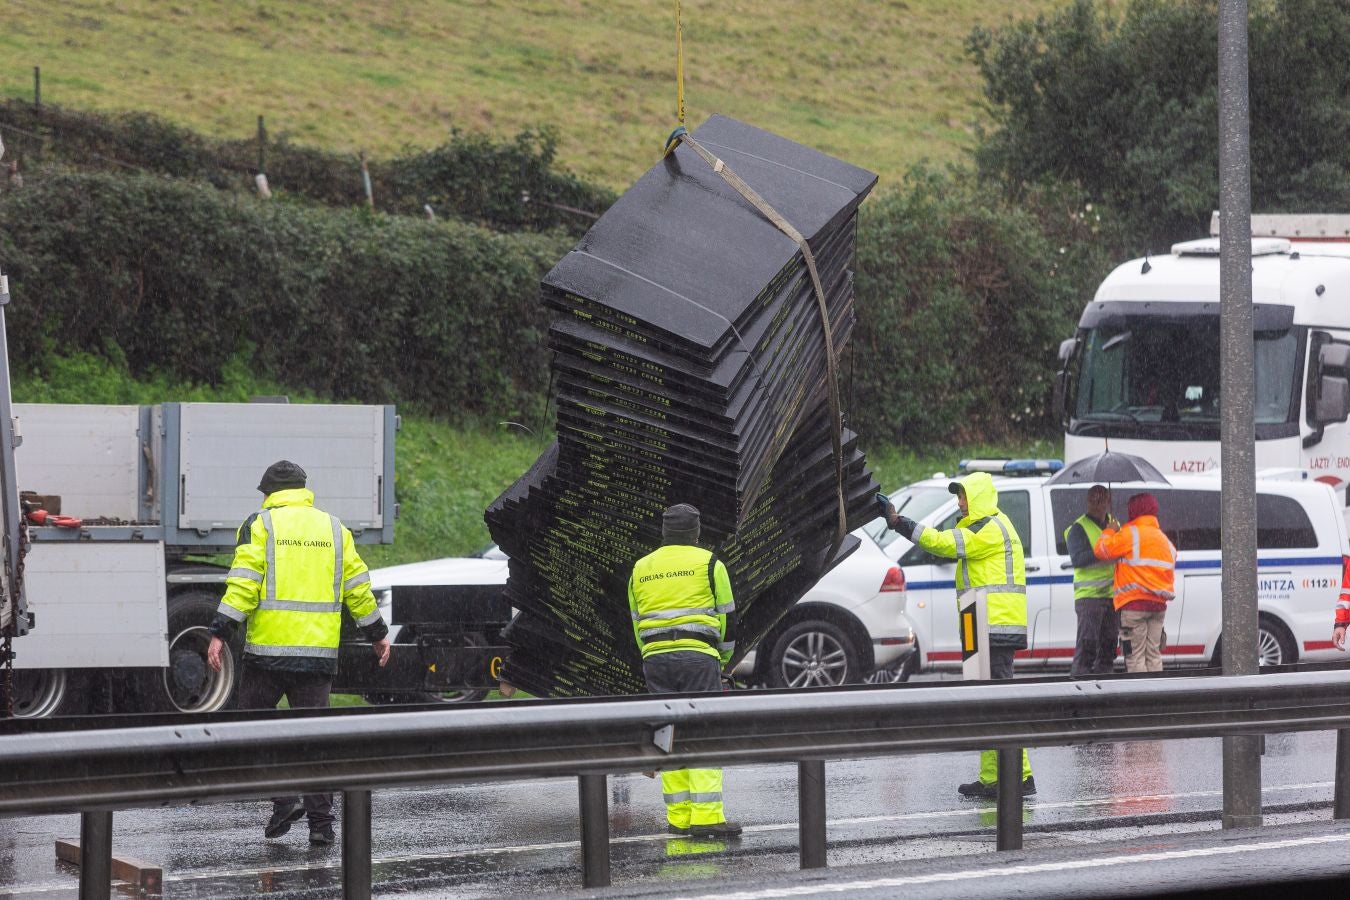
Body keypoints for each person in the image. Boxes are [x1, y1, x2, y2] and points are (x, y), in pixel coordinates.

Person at [206, 460, 391, 846]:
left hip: (268, 655)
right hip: (317, 658)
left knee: (254, 729)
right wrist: (376, 632)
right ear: (304, 489)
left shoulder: (260, 524)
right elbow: (357, 586)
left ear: (268, 493)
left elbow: (243, 583)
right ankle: (322, 827)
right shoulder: (334, 529)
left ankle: (285, 798)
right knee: (315, 740)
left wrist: (221, 632)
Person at [886, 471, 1034, 799]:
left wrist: (900, 523)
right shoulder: (979, 527)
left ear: (978, 496)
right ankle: (993, 778)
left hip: (994, 625)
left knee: (999, 705)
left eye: (963, 495)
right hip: (979, 622)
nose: (959, 502)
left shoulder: (990, 529)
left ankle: (1020, 777)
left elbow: (941, 544)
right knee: (987, 704)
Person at [628, 503, 741, 837]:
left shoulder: (640, 568)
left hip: (655, 659)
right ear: (696, 532)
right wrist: (721, 660)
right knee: (703, 733)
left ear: (664, 532)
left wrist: (651, 654)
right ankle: (707, 818)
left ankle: (678, 818)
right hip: (698, 657)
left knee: (668, 732)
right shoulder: (710, 563)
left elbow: (636, 625)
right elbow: (727, 619)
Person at [1093, 492, 1176, 673]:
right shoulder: (1164, 540)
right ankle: (1158, 696)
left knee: (1135, 656)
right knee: (1153, 655)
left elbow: (1101, 550)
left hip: (1133, 606)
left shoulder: (1130, 534)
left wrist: (1109, 530)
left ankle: (1141, 698)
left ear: (1133, 510)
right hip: (1158, 607)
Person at [1064, 485, 1120, 676]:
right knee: (1087, 646)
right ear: (1088, 501)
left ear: (1108, 501)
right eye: (1093, 500)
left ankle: (1104, 686)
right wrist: (1106, 544)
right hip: (1089, 597)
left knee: (1110, 645)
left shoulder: (1114, 525)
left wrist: (1113, 534)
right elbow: (1078, 559)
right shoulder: (1078, 528)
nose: (1097, 504)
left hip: (1112, 596)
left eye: (1101, 499)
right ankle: (1080, 686)